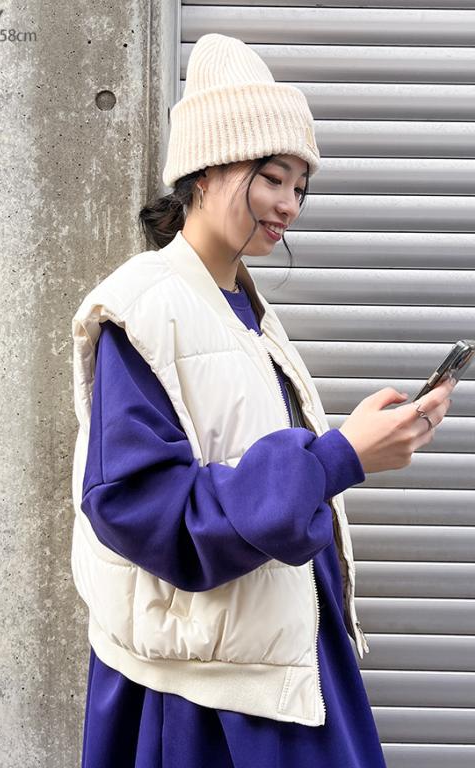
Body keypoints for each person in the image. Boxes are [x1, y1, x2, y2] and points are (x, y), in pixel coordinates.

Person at [70, 33, 455, 768]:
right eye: (272, 178)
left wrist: (358, 446)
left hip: (270, 654)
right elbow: (140, 507)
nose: (289, 205)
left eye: (300, 186)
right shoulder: (144, 308)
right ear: (205, 171)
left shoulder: (242, 306)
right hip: (203, 696)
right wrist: (340, 457)